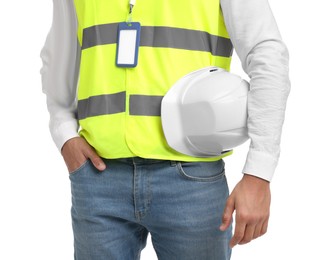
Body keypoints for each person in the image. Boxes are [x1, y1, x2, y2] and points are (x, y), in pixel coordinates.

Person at [40, 0, 290, 259]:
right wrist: (64, 131)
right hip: (98, 177)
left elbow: (267, 54)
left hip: (191, 178)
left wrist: (258, 173)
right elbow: (59, 52)